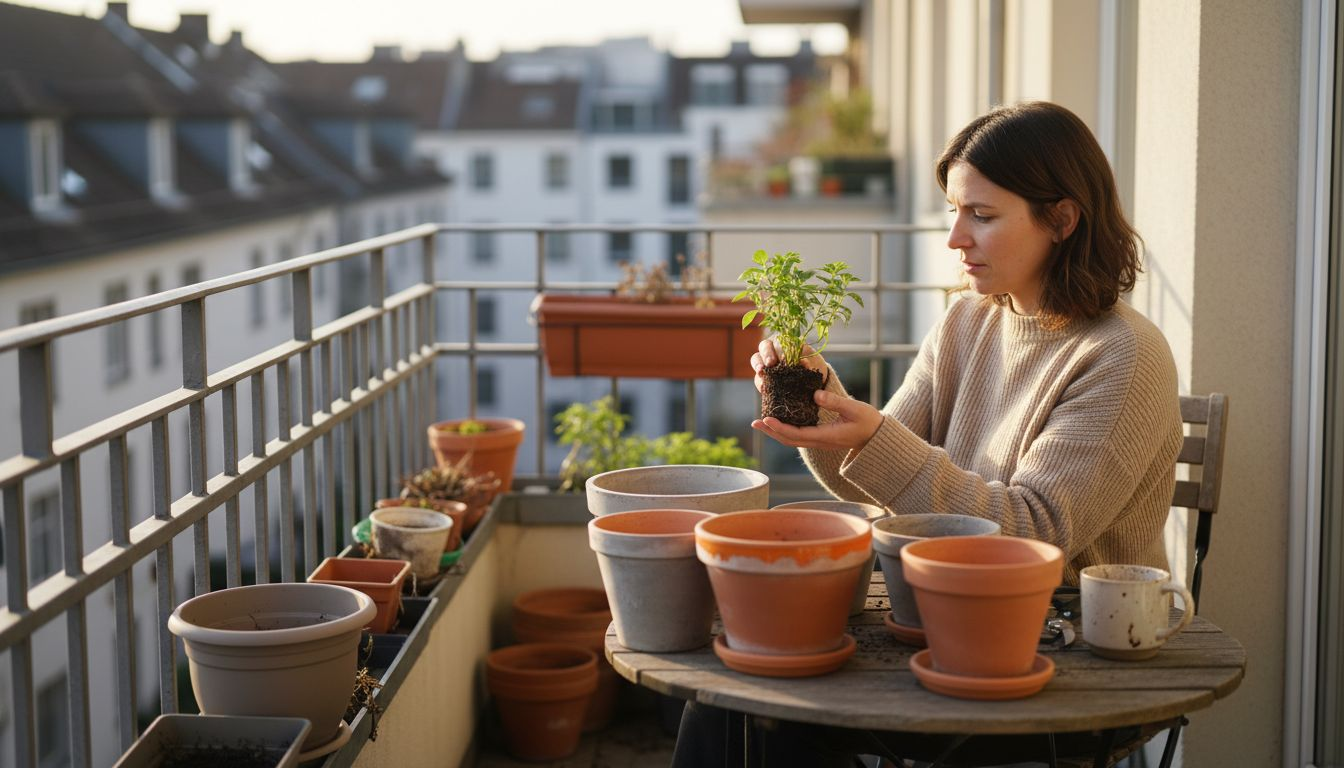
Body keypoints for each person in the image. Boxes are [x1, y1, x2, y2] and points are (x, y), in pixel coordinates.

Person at [671, 100, 1183, 768]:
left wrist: (873, 437)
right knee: (729, 701)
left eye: (983, 215)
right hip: (939, 622)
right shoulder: (968, 322)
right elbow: (884, 466)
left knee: (758, 715)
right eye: (954, 211)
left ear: (1061, 220)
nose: (956, 239)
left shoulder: (1122, 356)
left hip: (1059, 655)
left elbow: (1035, 535)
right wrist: (823, 407)